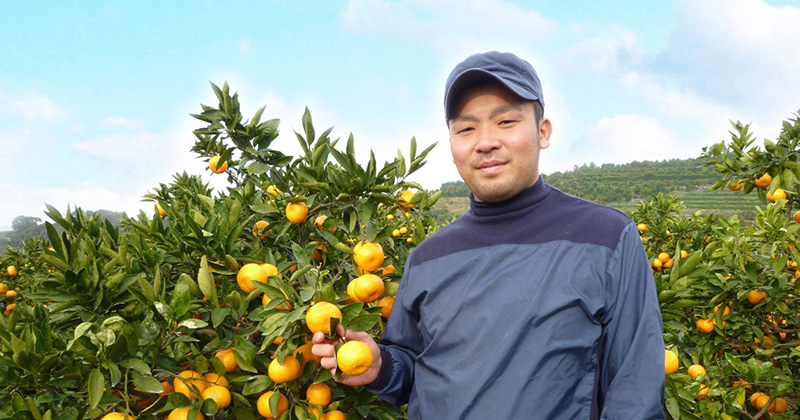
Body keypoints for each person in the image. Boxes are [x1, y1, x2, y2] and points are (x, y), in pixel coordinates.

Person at [313, 51, 665, 419]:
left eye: (506, 121)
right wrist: (380, 367)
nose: (485, 142)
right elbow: (414, 371)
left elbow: (634, 393)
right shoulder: (428, 257)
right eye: (466, 129)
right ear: (452, 146)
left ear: (543, 131)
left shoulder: (605, 237)